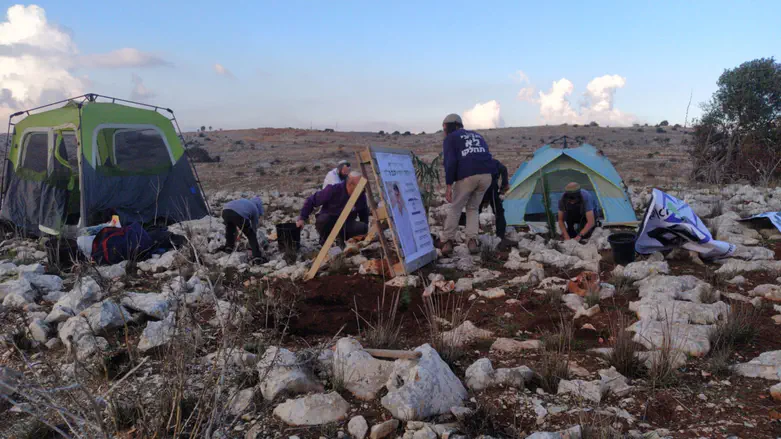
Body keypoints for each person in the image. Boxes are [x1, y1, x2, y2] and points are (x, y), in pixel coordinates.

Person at [440, 113, 496, 256]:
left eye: (444, 128)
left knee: (456, 207)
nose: (443, 131)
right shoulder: (477, 135)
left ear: (449, 127)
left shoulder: (451, 138)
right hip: (486, 175)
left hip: (468, 175)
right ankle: (472, 241)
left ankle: (447, 241)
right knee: (473, 208)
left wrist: (448, 185)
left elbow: (450, 162)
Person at [298, 171, 369, 245]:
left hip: (346, 224)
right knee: (323, 219)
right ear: (350, 184)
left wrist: (364, 233)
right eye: (360, 186)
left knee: (363, 227)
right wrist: (302, 218)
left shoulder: (361, 195)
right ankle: (324, 240)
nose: (362, 189)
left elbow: (363, 213)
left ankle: (342, 240)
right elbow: (311, 200)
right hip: (330, 222)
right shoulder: (333, 190)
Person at [218, 197, 267, 263]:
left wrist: (241, 228)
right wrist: (252, 236)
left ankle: (229, 247)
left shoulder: (245, 201)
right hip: (238, 214)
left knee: (230, 229)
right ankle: (257, 257)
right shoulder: (255, 209)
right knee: (251, 235)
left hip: (225, 211)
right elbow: (254, 226)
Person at [479, 158, 509, 240]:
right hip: (492, 188)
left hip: (479, 188)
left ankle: (473, 236)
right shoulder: (494, 162)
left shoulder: (475, 161)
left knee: (474, 211)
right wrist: (504, 186)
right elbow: (503, 169)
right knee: (498, 212)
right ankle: (501, 236)